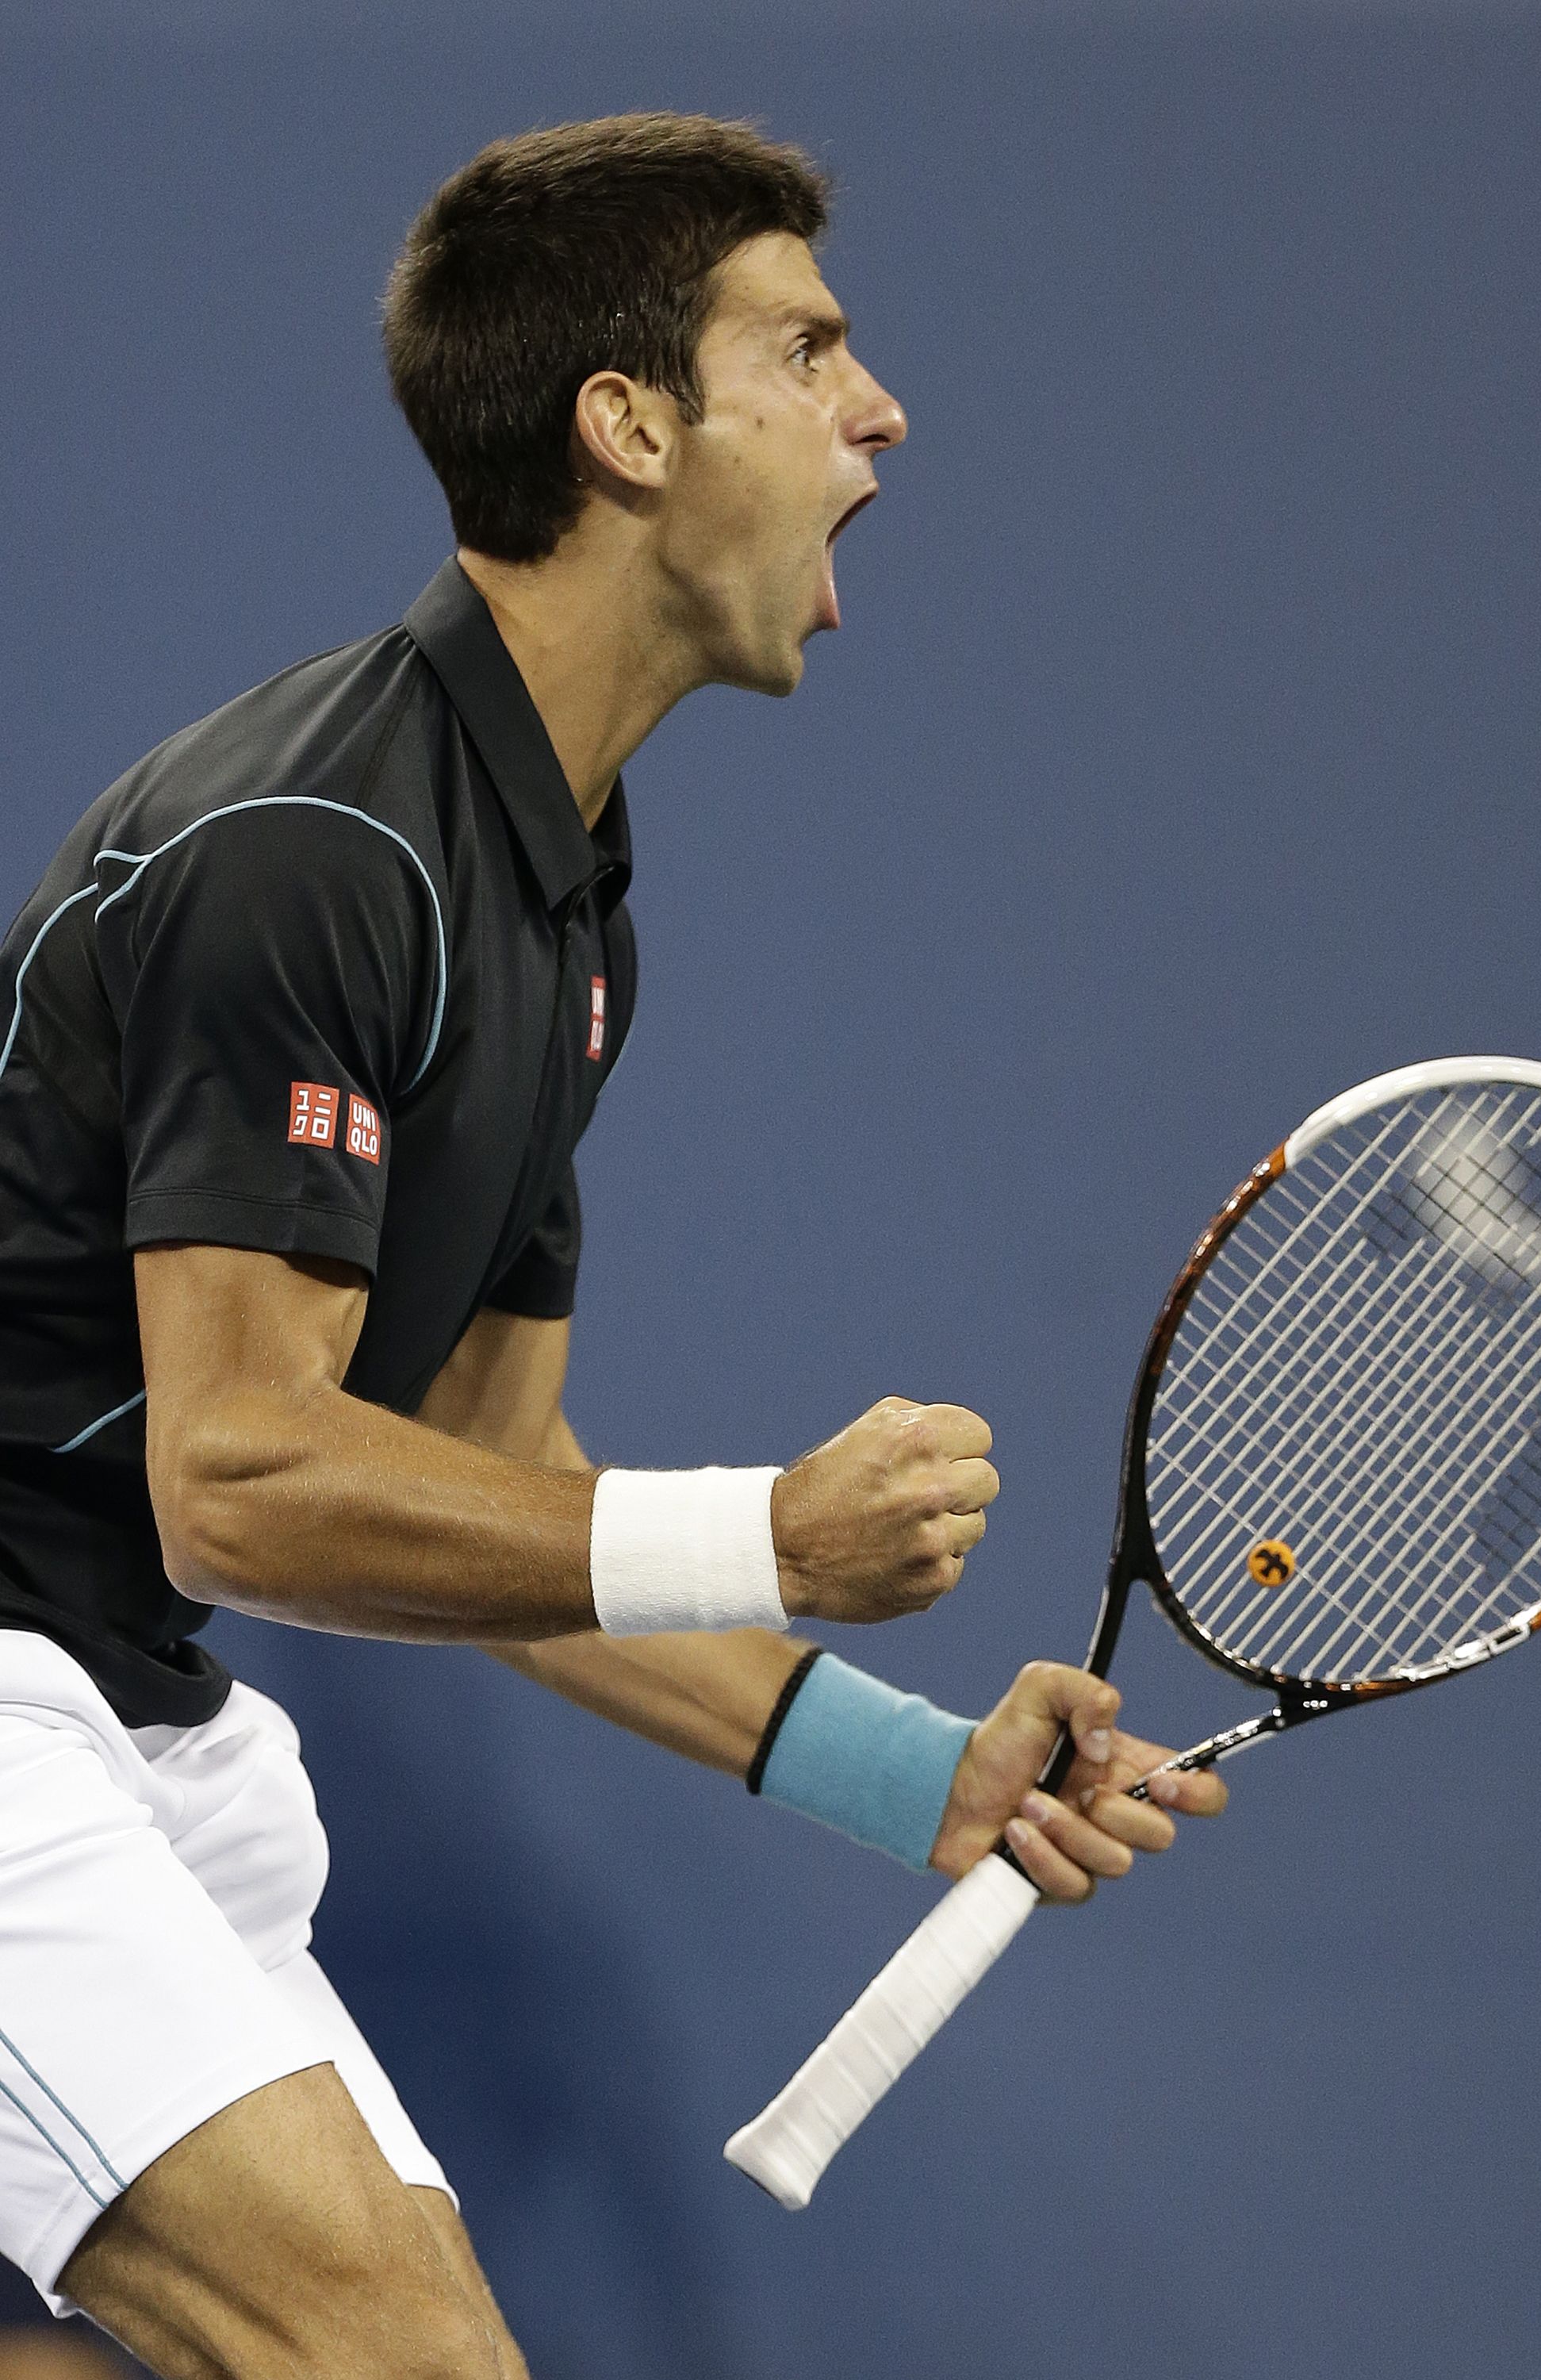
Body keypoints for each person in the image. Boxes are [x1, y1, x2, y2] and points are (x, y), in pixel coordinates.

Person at [0, 113, 1225, 2378]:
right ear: (629, 429)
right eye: (809, 350)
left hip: (127, 1713)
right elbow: (239, 1481)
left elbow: (498, 1500)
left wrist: (911, 1775)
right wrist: (776, 1531)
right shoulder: (316, 851)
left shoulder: (558, 901)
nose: (880, 411)